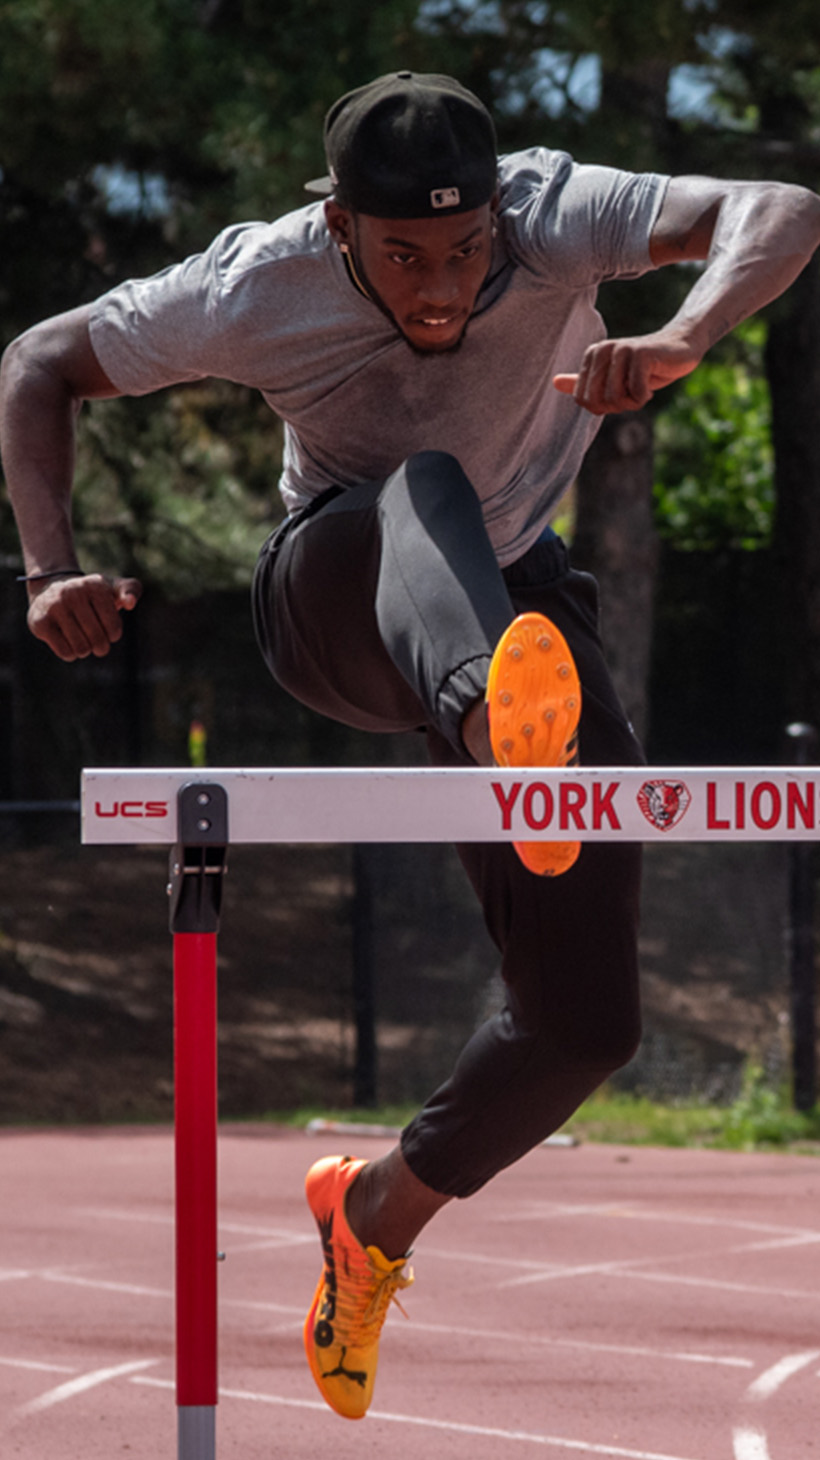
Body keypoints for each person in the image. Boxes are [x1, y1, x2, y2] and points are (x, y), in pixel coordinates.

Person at [2, 70, 819, 1422]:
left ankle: (377, 1212)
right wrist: (48, 571)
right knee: (415, 484)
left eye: (465, 254)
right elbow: (40, 360)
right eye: (404, 261)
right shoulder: (253, 282)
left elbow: (779, 205)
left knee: (586, 1024)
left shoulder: (553, 210)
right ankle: (504, 722)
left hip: (510, 603)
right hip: (332, 599)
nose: (441, 292)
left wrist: (687, 329)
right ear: (339, 230)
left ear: (502, 214)